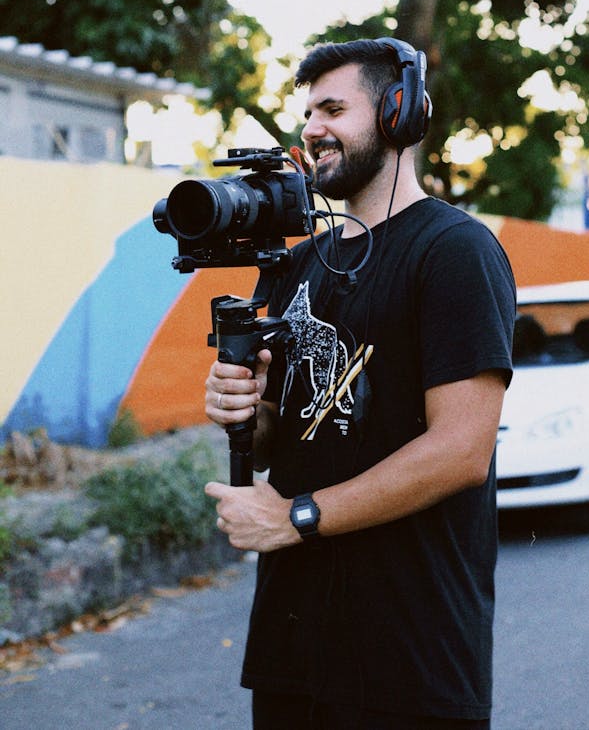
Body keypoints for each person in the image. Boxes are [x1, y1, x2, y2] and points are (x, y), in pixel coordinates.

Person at [204, 37, 516, 730]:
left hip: (412, 660)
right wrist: (240, 410)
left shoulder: (454, 251)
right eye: (308, 112)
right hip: (293, 651)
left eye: (333, 108)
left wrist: (296, 518)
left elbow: (463, 450)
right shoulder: (294, 265)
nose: (312, 129)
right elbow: (278, 438)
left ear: (397, 114)